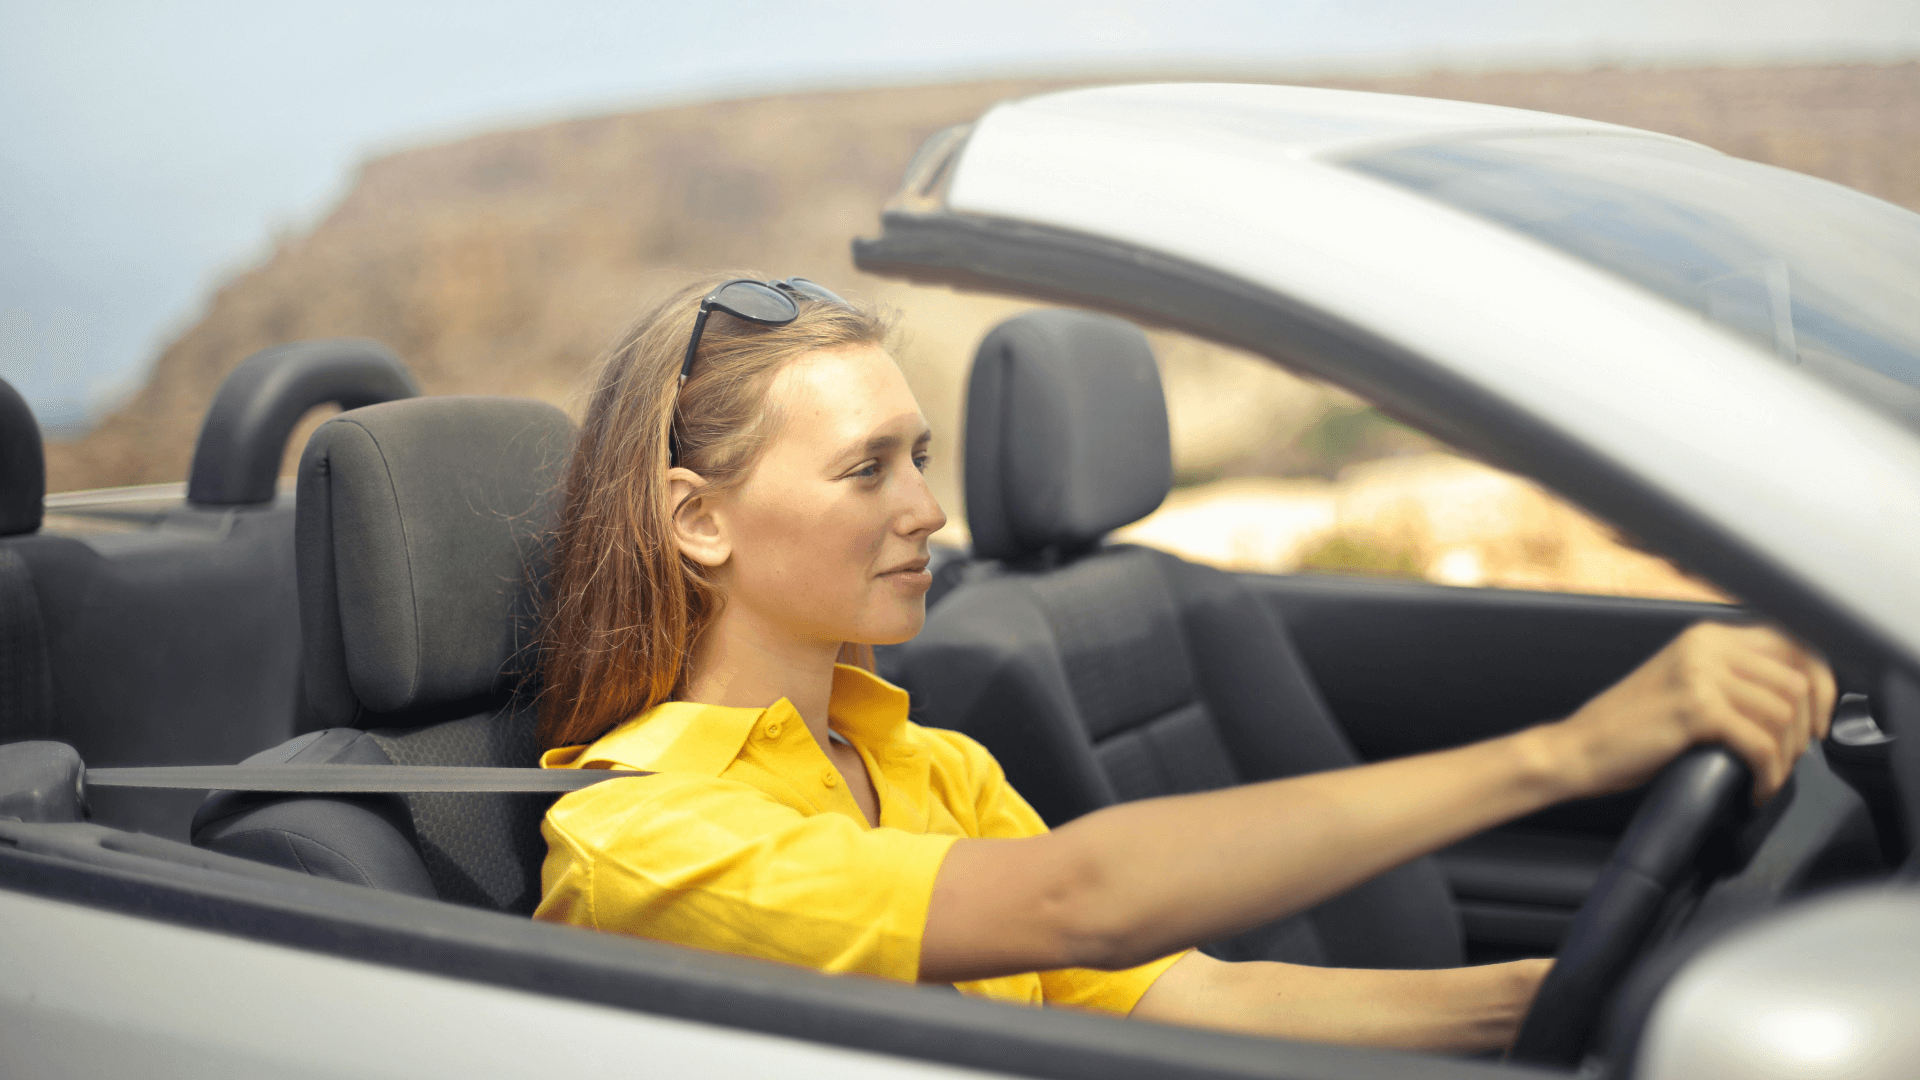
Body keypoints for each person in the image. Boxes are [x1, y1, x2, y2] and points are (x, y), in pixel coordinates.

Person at [531, 275, 1834, 1054]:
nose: (927, 509)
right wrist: (1562, 756)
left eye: (919, 456)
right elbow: (1075, 902)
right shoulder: (645, 834)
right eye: (867, 469)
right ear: (698, 518)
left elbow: (1185, 996)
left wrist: (1573, 998)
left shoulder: (925, 765)